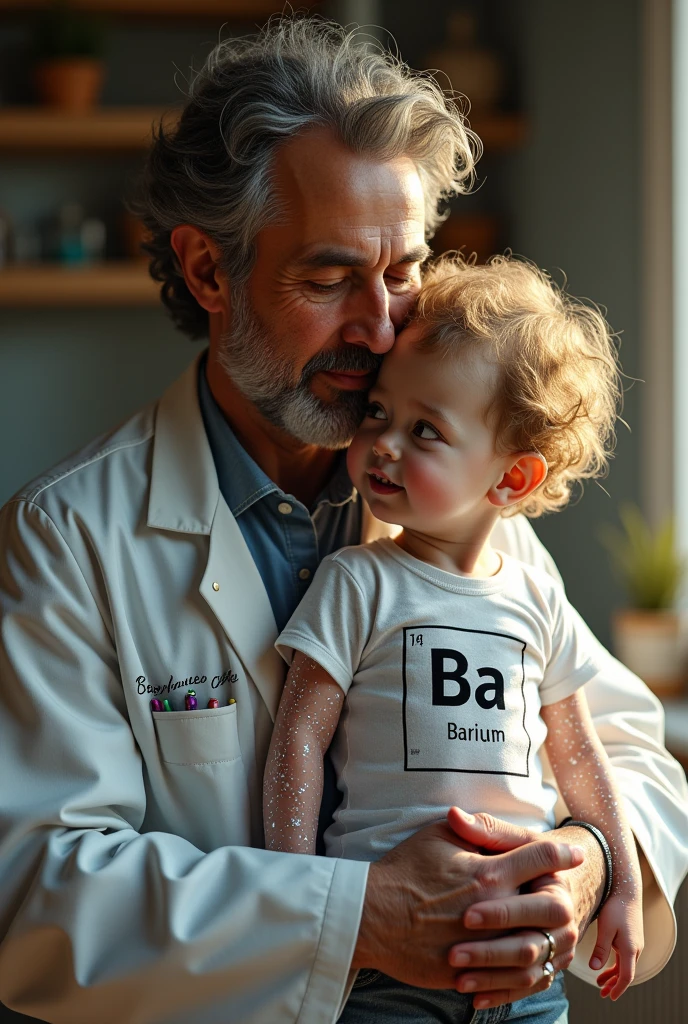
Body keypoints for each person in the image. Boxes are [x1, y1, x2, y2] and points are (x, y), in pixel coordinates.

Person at [0, 17, 685, 1024]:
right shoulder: (66, 539)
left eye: (403, 269)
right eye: (329, 278)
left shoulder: (453, 501)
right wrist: (356, 916)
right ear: (205, 272)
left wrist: (582, 863)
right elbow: (38, 891)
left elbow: (621, 742)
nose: (380, 325)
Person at [264, 255, 643, 1022]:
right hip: (383, 976)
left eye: (425, 429)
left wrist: (620, 883)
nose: (384, 444)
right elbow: (297, 738)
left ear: (511, 480)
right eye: (378, 413)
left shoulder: (537, 595)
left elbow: (577, 751)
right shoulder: (356, 582)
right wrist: (300, 901)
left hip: (529, 975)